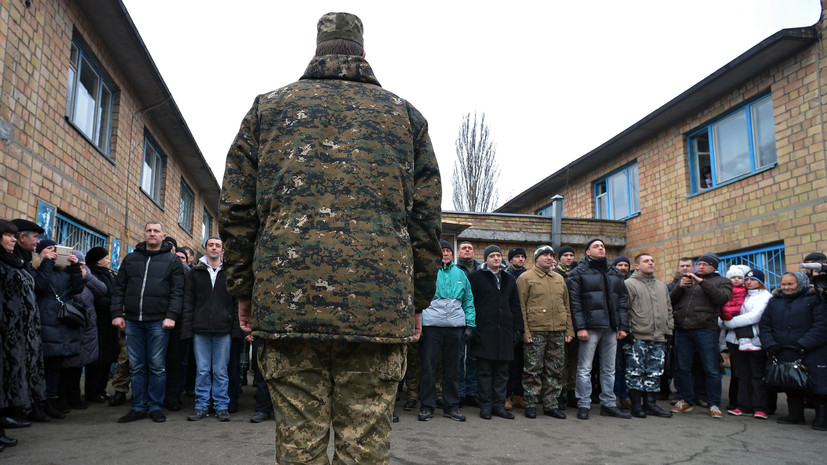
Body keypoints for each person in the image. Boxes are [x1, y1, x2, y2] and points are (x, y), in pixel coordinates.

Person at [218, 12, 441, 464]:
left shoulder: (268, 109)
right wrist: (416, 299)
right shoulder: (405, 116)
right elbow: (425, 221)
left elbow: (236, 211)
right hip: (378, 308)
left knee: (299, 444)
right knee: (365, 447)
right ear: (362, 53)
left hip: (287, 304)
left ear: (317, 51)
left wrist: (244, 290)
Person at [110, 221, 185, 424]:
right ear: (144, 234)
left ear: (163, 235)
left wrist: (172, 316)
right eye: (149, 231)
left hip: (158, 322)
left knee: (157, 366)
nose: (152, 234)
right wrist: (117, 313)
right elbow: (119, 288)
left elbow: (178, 292)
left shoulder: (172, 261)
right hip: (133, 321)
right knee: (136, 366)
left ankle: (155, 406)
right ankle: (138, 407)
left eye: (156, 231)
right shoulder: (131, 259)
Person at [567, 238, 631, 420]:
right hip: (590, 327)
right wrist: (580, 327)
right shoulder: (578, 272)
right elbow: (575, 302)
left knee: (609, 369)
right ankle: (584, 404)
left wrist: (622, 326)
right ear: (587, 252)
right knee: (584, 368)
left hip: (611, 327)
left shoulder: (614, 272)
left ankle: (609, 404)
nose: (601, 248)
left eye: (602, 246)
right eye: (596, 246)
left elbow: (622, 301)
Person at [760, 272, 827, 430]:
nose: (786, 287)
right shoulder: (775, 301)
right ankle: (795, 415)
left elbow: (821, 326)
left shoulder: (815, 299)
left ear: (801, 284)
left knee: (819, 386)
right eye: (784, 284)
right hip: (782, 349)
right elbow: (765, 325)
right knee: (791, 383)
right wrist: (770, 344)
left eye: (791, 284)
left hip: (811, 350)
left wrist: (803, 344)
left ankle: (822, 418)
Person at [181, 237, 239, 422]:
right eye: (210, 245)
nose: (214, 248)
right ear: (205, 248)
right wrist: (188, 328)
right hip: (201, 329)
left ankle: (222, 406)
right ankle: (201, 406)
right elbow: (188, 302)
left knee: (221, 370)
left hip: (224, 329)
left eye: (218, 245)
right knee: (203, 370)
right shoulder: (194, 273)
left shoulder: (230, 273)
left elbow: (237, 303)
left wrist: (236, 328)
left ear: (222, 250)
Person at [417, 240, 475, 422]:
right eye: (442, 251)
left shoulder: (460, 274)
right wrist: (420, 325)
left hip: (455, 328)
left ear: (452, 254)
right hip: (432, 327)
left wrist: (469, 325)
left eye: (449, 251)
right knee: (428, 368)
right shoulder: (428, 273)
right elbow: (419, 299)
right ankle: (427, 406)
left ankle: (452, 407)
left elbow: (468, 300)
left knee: (453, 369)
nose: (446, 254)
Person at [670, 253, 732, 419]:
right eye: (699, 264)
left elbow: (721, 298)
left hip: (706, 329)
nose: (701, 267)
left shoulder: (722, 282)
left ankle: (713, 403)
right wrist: (680, 287)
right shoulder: (688, 280)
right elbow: (670, 301)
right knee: (683, 367)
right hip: (683, 329)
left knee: (711, 368)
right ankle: (686, 399)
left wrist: (702, 282)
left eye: (705, 264)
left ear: (714, 266)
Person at [517, 245, 572, 420]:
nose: (549, 258)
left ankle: (551, 404)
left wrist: (569, 328)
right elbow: (521, 307)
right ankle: (531, 403)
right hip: (536, 330)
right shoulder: (526, 278)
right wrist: (525, 332)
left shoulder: (559, 278)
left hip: (557, 330)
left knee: (555, 369)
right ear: (536, 259)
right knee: (533, 369)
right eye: (545, 255)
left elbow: (567, 306)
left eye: (551, 255)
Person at [468, 246, 523, 420]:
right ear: (486, 259)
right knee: (484, 373)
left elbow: (515, 306)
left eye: (498, 255)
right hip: (484, 332)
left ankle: (499, 406)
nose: (496, 258)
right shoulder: (475, 277)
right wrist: (473, 327)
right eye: (492, 255)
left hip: (505, 333)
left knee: (502, 373)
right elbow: (471, 303)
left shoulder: (509, 279)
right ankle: (485, 406)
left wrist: (518, 329)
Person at [31, 240, 83, 420]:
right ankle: (37, 404)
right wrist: (46, 262)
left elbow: (77, 288)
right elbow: (40, 286)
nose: (53, 252)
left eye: (55, 249)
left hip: (61, 321)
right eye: (48, 249)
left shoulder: (63, 270)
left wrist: (74, 266)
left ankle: (50, 401)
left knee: (55, 365)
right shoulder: (36, 267)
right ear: (40, 252)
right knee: (42, 365)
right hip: (45, 319)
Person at [623, 253, 673, 418]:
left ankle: (650, 404)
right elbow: (624, 309)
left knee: (654, 372)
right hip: (638, 336)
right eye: (646, 261)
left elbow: (669, 310)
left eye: (652, 260)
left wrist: (668, 331)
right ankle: (636, 406)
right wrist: (628, 331)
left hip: (659, 336)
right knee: (635, 371)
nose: (651, 263)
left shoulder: (661, 286)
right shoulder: (629, 284)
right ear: (636, 266)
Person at [721, 269, 771, 419]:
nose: (749, 282)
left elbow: (755, 316)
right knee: (741, 375)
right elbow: (724, 311)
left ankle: (760, 407)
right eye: (747, 279)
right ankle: (742, 405)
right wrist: (725, 320)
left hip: (755, 341)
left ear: (761, 282)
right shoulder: (740, 294)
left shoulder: (765, 296)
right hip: (735, 341)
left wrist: (731, 322)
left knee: (757, 374)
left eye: (753, 280)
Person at [57, 251, 102, 411]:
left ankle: (74, 396)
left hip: (86, 327)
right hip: (70, 325)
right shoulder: (63, 276)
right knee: (66, 365)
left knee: (77, 364)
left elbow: (102, 290)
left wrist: (85, 275)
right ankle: (62, 398)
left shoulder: (86, 276)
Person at [83, 246, 119, 404]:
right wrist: (113, 306)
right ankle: (92, 392)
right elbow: (96, 298)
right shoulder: (91, 275)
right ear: (98, 260)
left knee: (107, 358)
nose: (109, 260)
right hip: (98, 322)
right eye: (105, 257)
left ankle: (102, 390)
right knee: (97, 359)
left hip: (109, 323)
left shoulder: (109, 274)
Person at [505, 247, 528, 410]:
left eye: (522, 257)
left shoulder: (528, 276)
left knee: (523, 363)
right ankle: (506, 396)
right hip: (509, 324)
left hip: (526, 324)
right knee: (509, 364)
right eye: (517, 257)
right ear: (510, 260)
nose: (520, 259)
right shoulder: (506, 276)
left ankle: (520, 395)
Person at [555, 244, 577, 408]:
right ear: (559, 257)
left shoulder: (578, 274)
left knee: (575, 361)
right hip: (560, 322)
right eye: (566, 255)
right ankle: (560, 393)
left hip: (576, 323)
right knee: (560, 361)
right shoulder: (556, 275)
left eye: (571, 255)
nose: (569, 258)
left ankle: (572, 391)